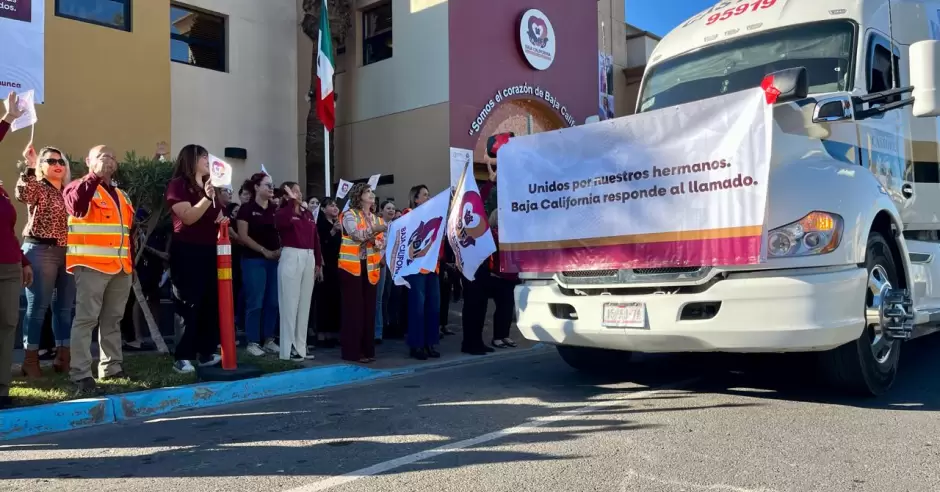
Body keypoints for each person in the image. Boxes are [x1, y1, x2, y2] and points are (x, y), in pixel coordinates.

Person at [62, 145, 136, 393]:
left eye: (112, 157)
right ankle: (81, 373)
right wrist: (94, 176)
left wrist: (131, 266)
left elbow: (127, 234)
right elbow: (76, 207)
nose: (109, 160)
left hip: (121, 268)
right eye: (102, 156)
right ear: (88, 161)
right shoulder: (78, 186)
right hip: (91, 266)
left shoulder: (122, 195)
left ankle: (112, 367)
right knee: (86, 320)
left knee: (113, 320)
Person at [15, 145, 75, 377]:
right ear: (41, 165)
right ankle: (30, 360)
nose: (57, 165)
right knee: (38, 307)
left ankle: (63, 357)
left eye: (61, 161)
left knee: (65, 307)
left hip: (67, 251)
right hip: (41, 249)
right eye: (50, 161)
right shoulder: (38, 185)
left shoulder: (69, 190)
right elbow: (23, 195)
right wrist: (30, 167)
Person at [164, 144, 225, 373]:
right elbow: (188, 217)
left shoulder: (210, 186)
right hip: (187, 250)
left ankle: (206, 352)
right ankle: (183, 356)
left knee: (209, 302)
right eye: (203, 157)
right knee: (188, 302)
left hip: (210, 250)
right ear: (191, 159)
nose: (208, 161)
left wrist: (222, 220)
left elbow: (217, 215)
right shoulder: (178, 185)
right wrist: (207, 198)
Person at [1, 90, 34, 408]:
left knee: (8, 324)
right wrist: (8, 118)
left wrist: (22, 260)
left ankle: (1, 389)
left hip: (9, 265)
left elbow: (8, 231)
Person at [339, 183, 386, 363]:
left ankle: (367, 350)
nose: (372, 194)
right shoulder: (349, 215)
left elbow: (381, 243)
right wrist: (373, 231)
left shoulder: (376, 219)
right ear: (359, 196)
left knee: (369, 309)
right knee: (354, 310)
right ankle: (352, 351)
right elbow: (355, 234)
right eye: (367, 192)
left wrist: (377, 241)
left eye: (372, 192)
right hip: (351, 267)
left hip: (370, 267)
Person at [276, 181, 322, 360]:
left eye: (299, 191)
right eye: (294, 191)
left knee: (304, 305)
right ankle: (287, 349)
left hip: (308, 256)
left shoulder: (307, 213)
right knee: (290, 304)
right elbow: (281, 224)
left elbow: (315, 238)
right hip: (291, 255)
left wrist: (318, 262)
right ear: (286, 195)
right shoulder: (283, 212)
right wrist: (291, 203)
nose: (299, 194)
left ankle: (301, 347)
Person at [237, 172, 281, 356]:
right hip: (253, 260)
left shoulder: (275, 209)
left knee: (273, 301)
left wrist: (278, 250)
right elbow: (243, 236)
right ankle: (253, 341)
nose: (271, 188)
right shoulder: (246, 209)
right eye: (267, 185)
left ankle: (269, 338)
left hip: (274, 261)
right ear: (256, 187)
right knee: (255, 301)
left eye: (272, 185)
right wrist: (264, 251)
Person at [402, 184, 443, 360]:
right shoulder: (409, 213)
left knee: (433, 306)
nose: (428, 197)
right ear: (416, 198)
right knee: (417, 308)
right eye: (424, 195)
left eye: (429, 194)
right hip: (416, 268)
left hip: (432, 267)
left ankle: (429, 343)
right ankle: (416, 345)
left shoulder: (434, 215)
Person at [316, 197, 342, 347]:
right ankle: (322, 334)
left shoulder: (338, 223)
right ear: (323, 209)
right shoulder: (320, 224)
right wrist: (332, 231)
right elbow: (321, 243)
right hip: (325, 265)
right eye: (331, 205)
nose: (335, 208)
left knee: (335, 299)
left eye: (335, 205)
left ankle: (333, 333)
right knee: (324, 299)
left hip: (337, 264)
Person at [374, 200, 396, 343]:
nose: (391, 210)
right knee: (379, 298)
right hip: (380, 264)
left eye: (393, 208)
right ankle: (378, 332)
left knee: (388, 296)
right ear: (381, 211)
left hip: (392, 265)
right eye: (388, 208)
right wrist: (381, 257)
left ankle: (387, 326)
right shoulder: (377, 224)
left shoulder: (396, 226)